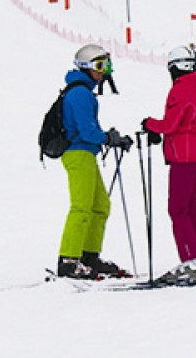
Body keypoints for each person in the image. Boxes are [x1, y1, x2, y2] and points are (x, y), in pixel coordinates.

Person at [56, 44, 132, 279]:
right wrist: (109, 138)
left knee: (100, 206)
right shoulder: (79, 93)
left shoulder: (84, 92)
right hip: (77, 153)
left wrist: (109, 138)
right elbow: (87, 131)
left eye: (106, 66)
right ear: (87, 67)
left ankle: (89, 256)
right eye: (100, 66)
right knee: (82, 206)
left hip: (86, 153)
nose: (104, 72)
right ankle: (69, 260)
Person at [141, 45, 196, 285]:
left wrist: (150, 124)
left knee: (178, 209)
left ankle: (191, 259)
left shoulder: (181, 89)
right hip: (195, 152)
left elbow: (171, 123)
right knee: (190, 207)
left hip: (183, 155)